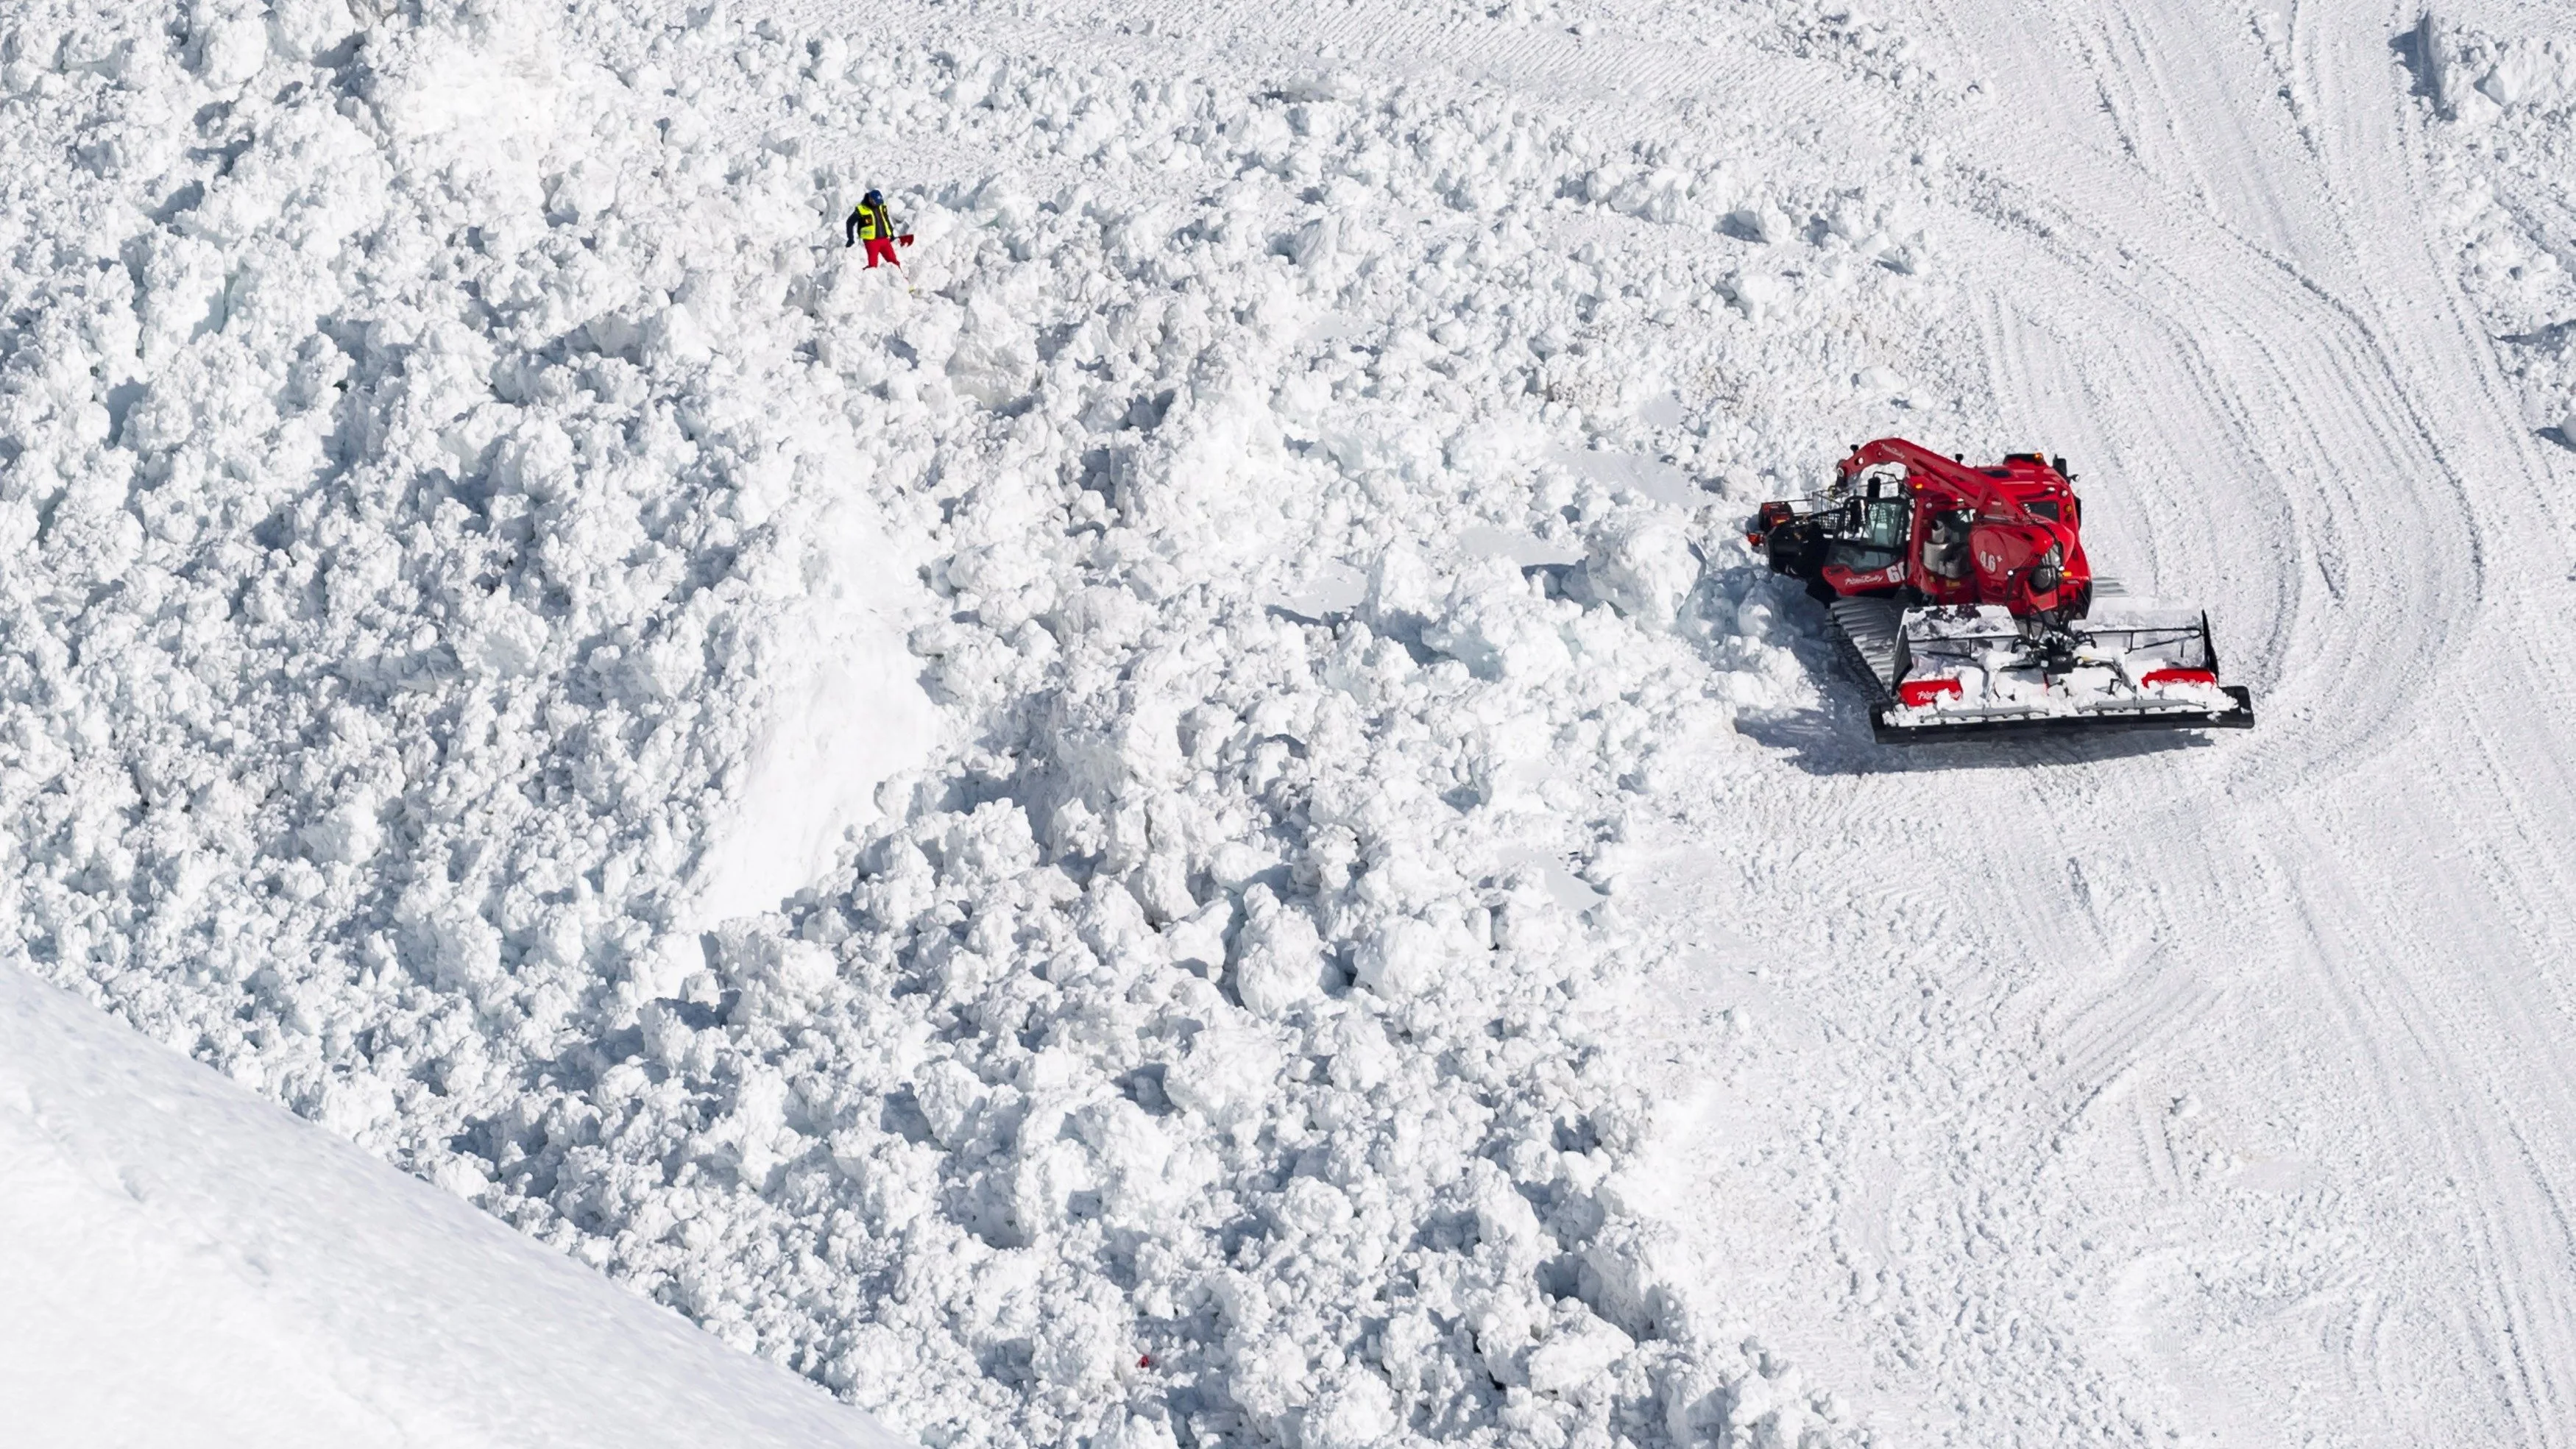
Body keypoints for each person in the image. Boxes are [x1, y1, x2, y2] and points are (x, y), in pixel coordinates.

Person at [845, 190, 909, 269]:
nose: (878, 205)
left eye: (879, 202)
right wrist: (850, 239)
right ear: (870, 199)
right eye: (876, 203)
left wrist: (892, 234)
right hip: (871, 241)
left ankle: (900, 278)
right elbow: (850, 223)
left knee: (893, 261)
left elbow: (886, 220)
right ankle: (865, 278)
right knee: (873, 266)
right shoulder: (861, 209)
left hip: (884, 240)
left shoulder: (881, 206)